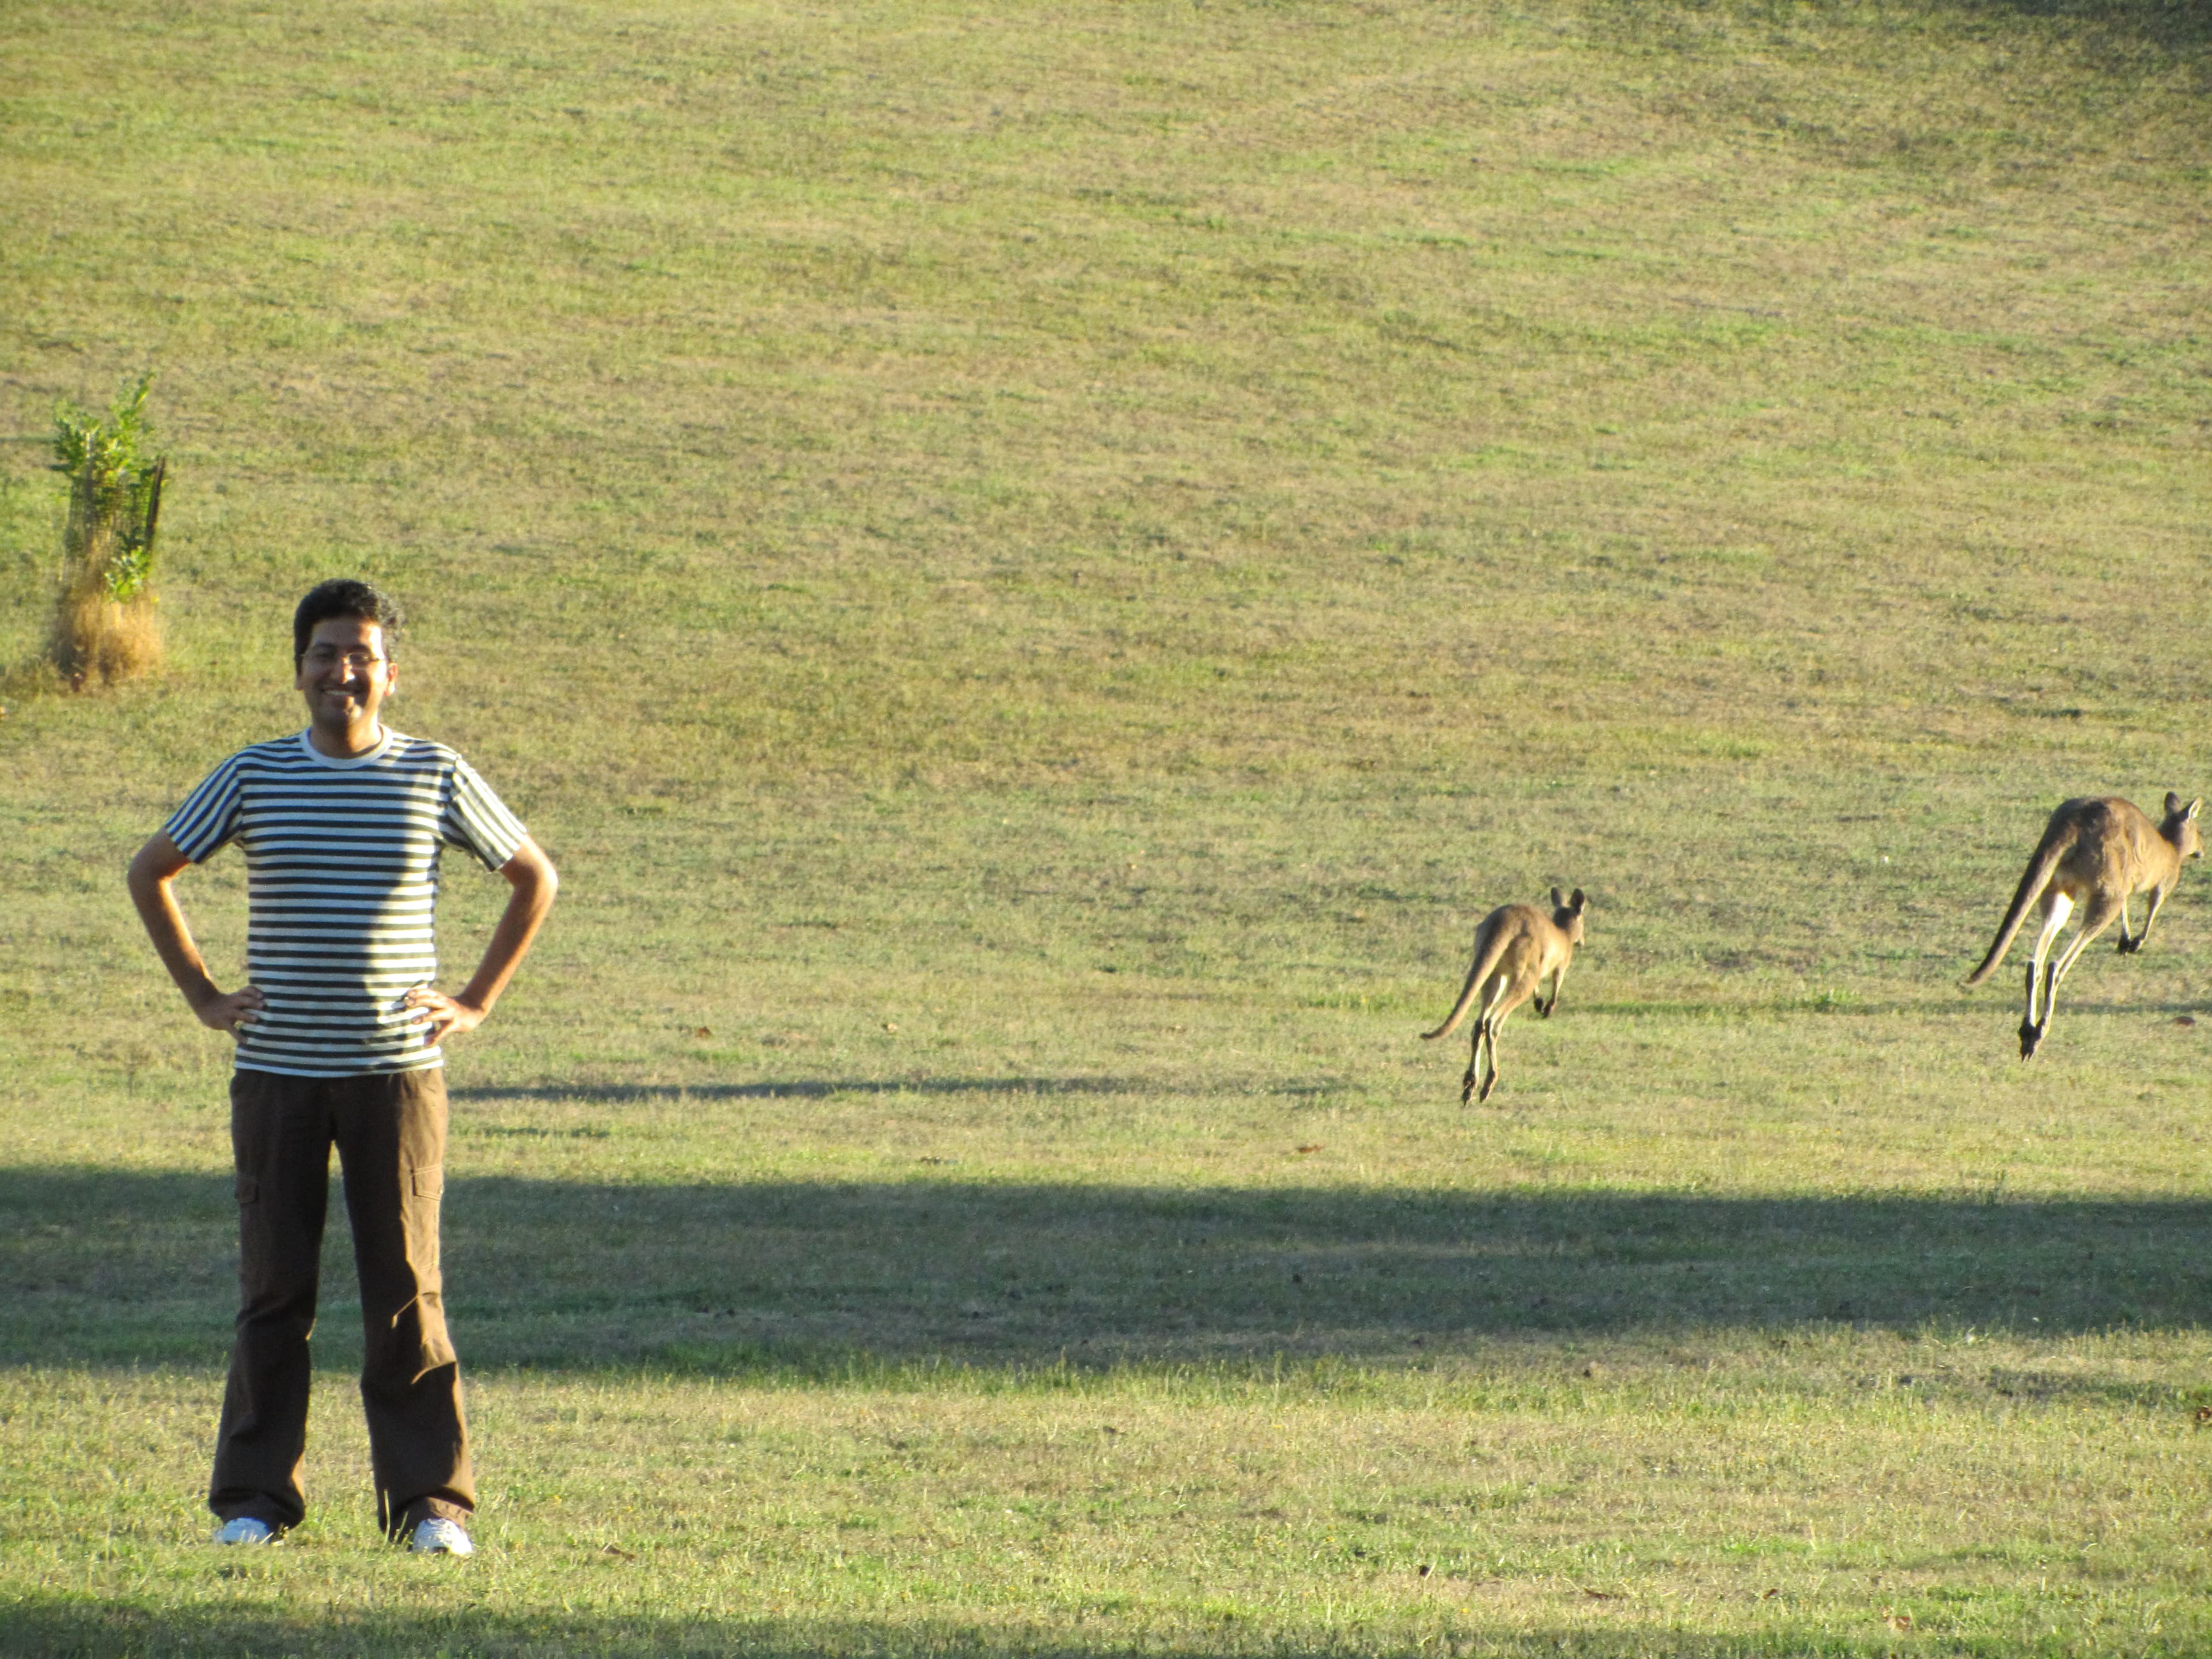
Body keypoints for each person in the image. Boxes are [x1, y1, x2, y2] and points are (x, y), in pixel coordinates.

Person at [126, 579, 558, 1555]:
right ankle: (253, 1503)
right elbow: (150, 869)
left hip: (396, 1077)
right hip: (278, 1075)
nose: (343, 671)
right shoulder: (252, 775)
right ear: (299, 670)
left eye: (362, 654)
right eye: (325, 653)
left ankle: (431, 1508)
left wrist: (476, 1000)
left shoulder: (436, 774)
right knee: (274, 1288)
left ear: (391, 674)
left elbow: (535, 877)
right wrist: (203, 995)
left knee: (405, 1287)